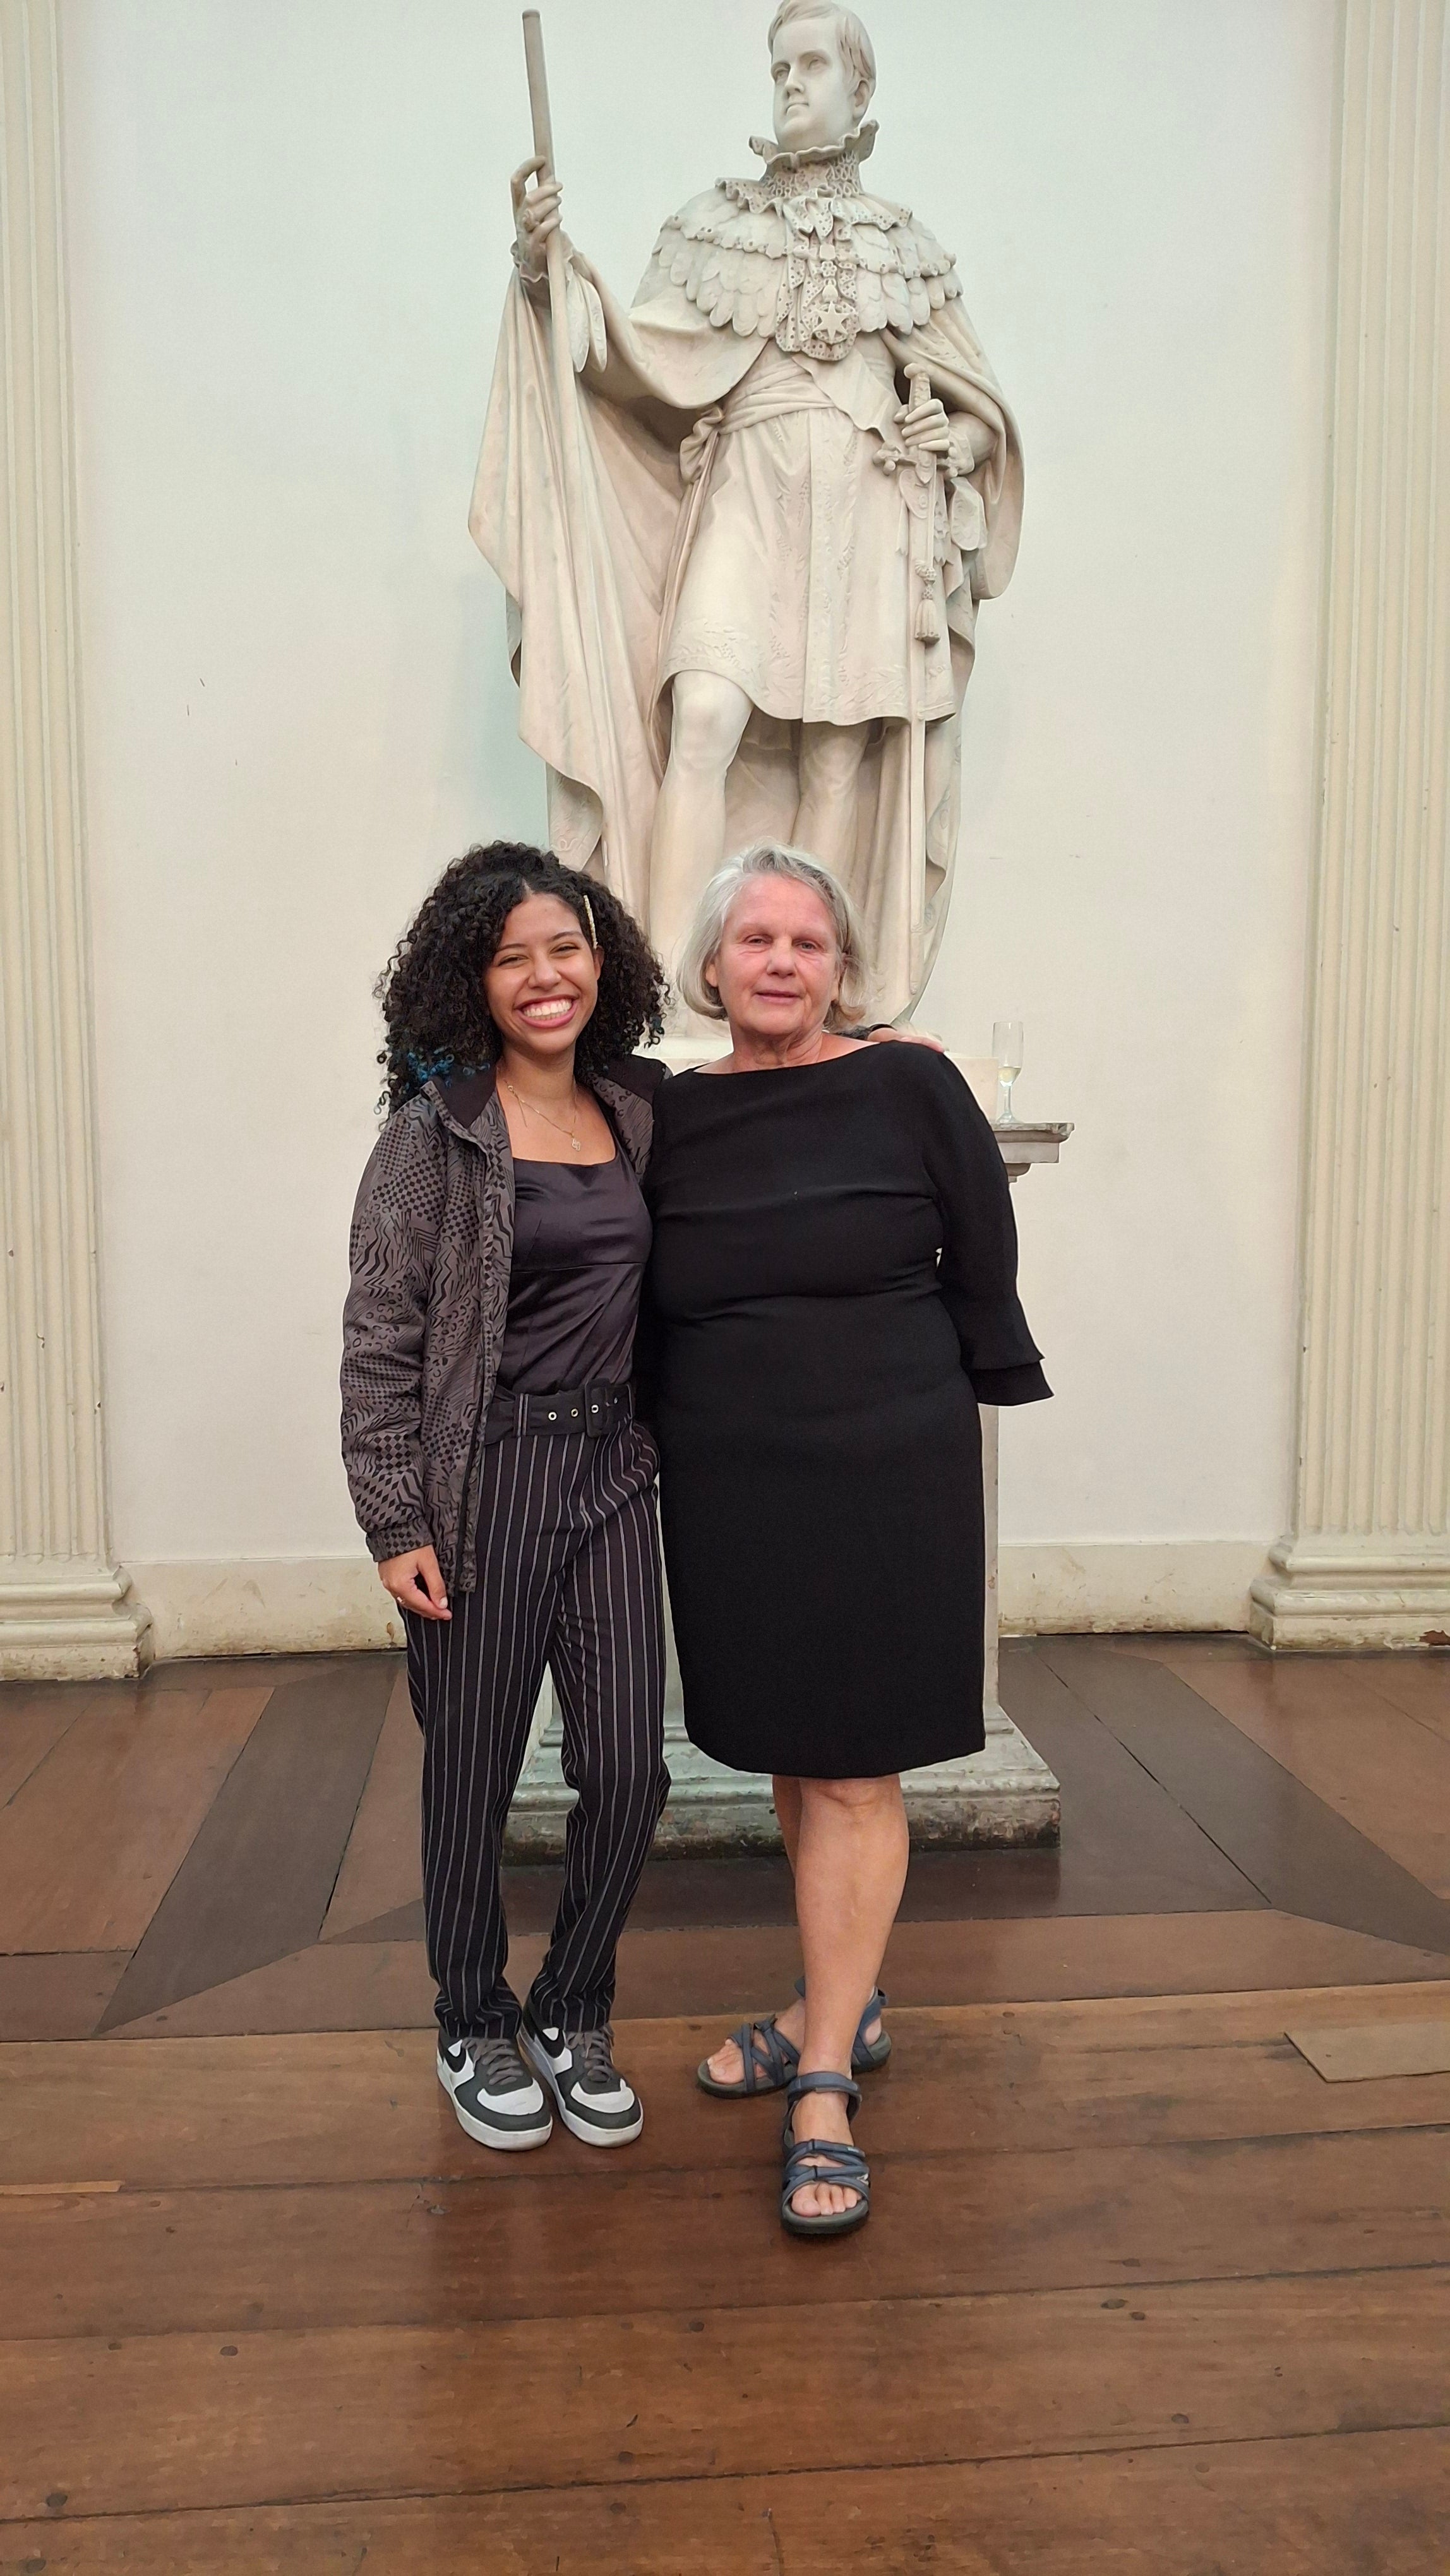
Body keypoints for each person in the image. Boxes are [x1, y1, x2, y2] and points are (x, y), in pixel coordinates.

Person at [644, 842, 1050, 2235]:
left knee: (856, 1764)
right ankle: (842, 1999)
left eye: (806, 944)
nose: (777, 962)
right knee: (788, 1742)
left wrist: (982, 1384)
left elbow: (979, 1250)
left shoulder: (907, 1082)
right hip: (730, 1473)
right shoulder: (658, 1111)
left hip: (885, 1460)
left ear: (841, 968)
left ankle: (822, 2081)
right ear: (707, 965)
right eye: (752, 939)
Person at [474, 0, 1021, 1015]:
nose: (793, 84)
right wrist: (544, 270)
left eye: (814, 65)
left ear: (860, 90)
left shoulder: (908, 250)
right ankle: (666, 997)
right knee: (707, 714)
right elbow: (625, 358)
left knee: (834, 756)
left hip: (869, 509)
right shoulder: (710, 229)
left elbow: (975, 408)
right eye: (781, 67)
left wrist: (959, 440)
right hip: (750, 488)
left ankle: (801, 1004)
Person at [340, 844, 672, 2153]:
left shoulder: (637, 1111)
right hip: (483, 1482)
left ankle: (571, 2008)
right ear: (470, 981)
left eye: (565, 948)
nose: (544, 977)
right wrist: (392, 1517)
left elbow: (783, 1086)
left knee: (627, 1770)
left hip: (611, 1474)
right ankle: (473, 2021)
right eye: (510, 956)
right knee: (470, 1780)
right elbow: (379, 1335)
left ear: (602, 961)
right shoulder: (433, 1137)